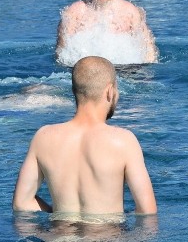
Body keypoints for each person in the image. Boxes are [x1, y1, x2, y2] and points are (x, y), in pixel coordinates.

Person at [12, 55, 158, 215]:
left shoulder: (44, 137)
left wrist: (57, 215)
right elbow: (147, 211)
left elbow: (22, 203)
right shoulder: (123, 141)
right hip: (108, 238)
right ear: (110, 91)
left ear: (74, 90)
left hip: (59, 239)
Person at [56, 0, 159, 65]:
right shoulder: (73, 14)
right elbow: (62, 54)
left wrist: (146, 76)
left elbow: (148, 49)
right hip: (86, 70)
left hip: (126, 69)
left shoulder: (130, 12)